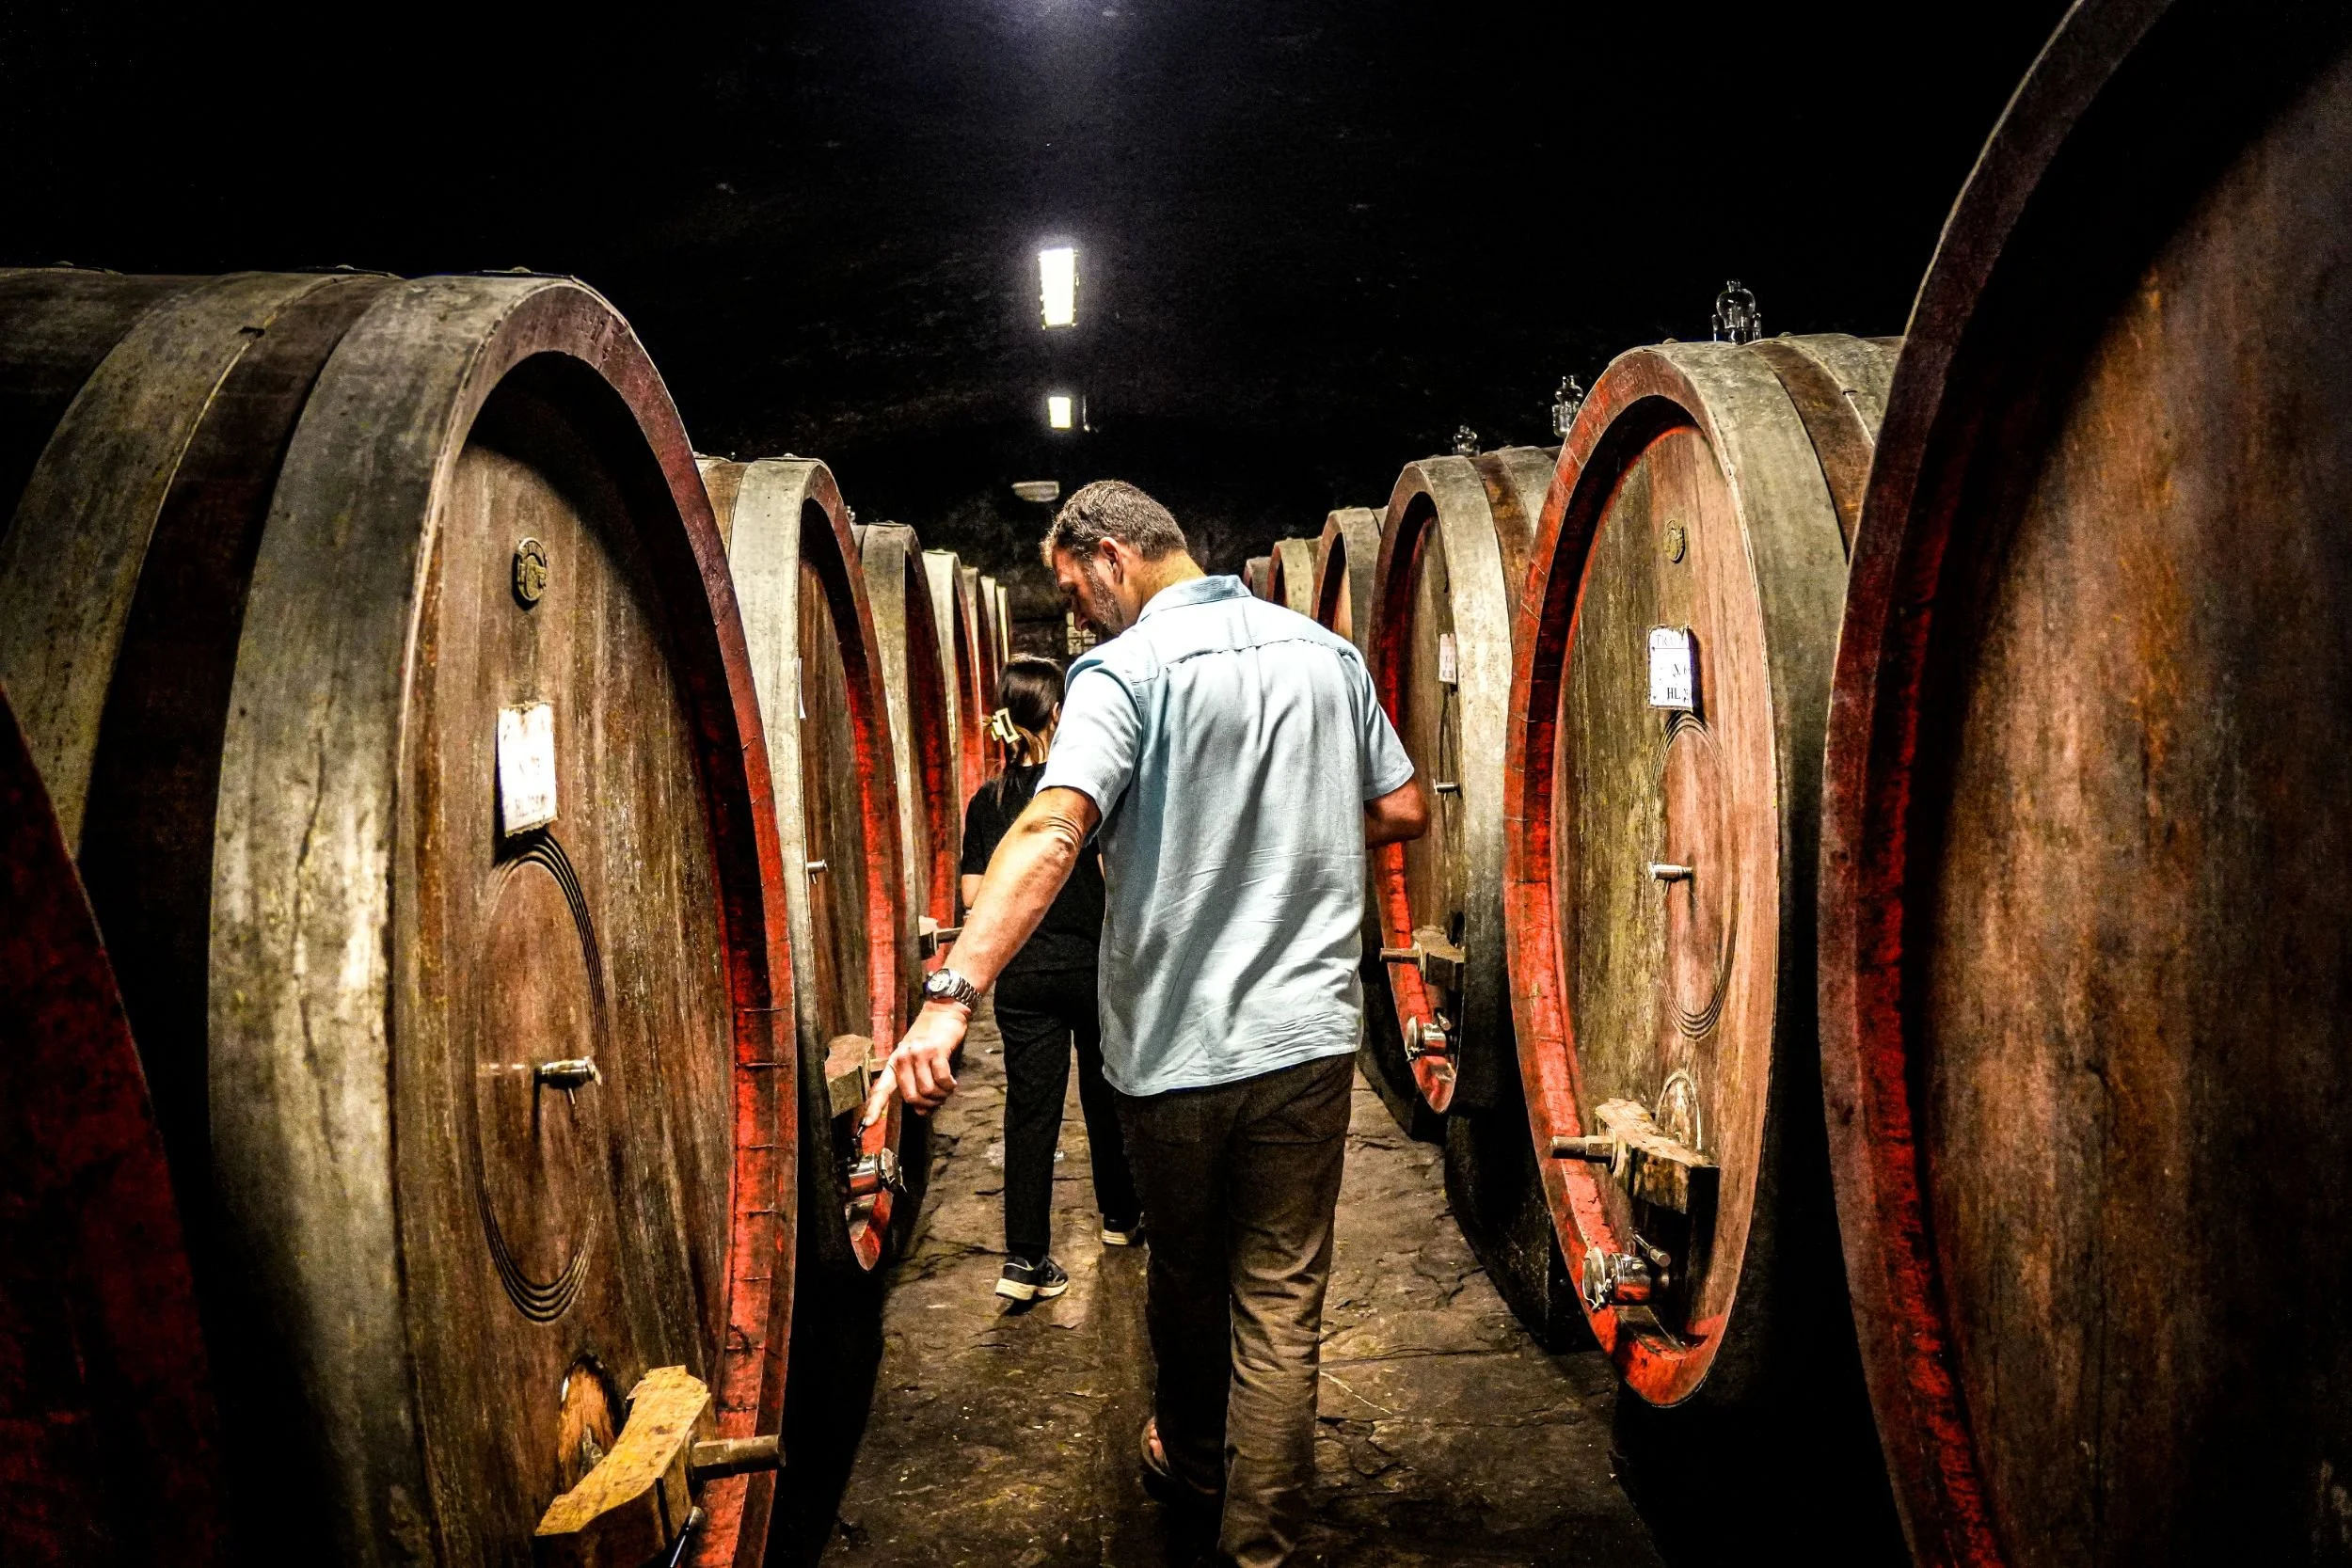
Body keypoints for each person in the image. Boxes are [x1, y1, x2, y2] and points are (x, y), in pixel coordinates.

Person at [866, 480, 1428, 1568]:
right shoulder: (1324, 654)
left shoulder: (1122, 672)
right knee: (1281, 1284)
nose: (1074, 613)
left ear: (1114, 555)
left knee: (1186, 1264)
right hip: (1310, 1037)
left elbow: (1052, 828)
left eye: (1075, 588)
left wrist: (952, 992)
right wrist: (1291, 820)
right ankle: (1257, 1539)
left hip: (1175, 1044)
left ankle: (1197, 1455)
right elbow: (1402, 806)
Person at [960, 654, 1141, 1304]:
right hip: (1091, 968)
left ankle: (1025, 1259)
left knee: (1029, 1113)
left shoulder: (989, 801)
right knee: (1104, 1095)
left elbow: (975, 893)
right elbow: (1109, 879)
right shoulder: (1077, 795)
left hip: (1024, 980)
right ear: (1059, 714)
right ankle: (1120, 1218)